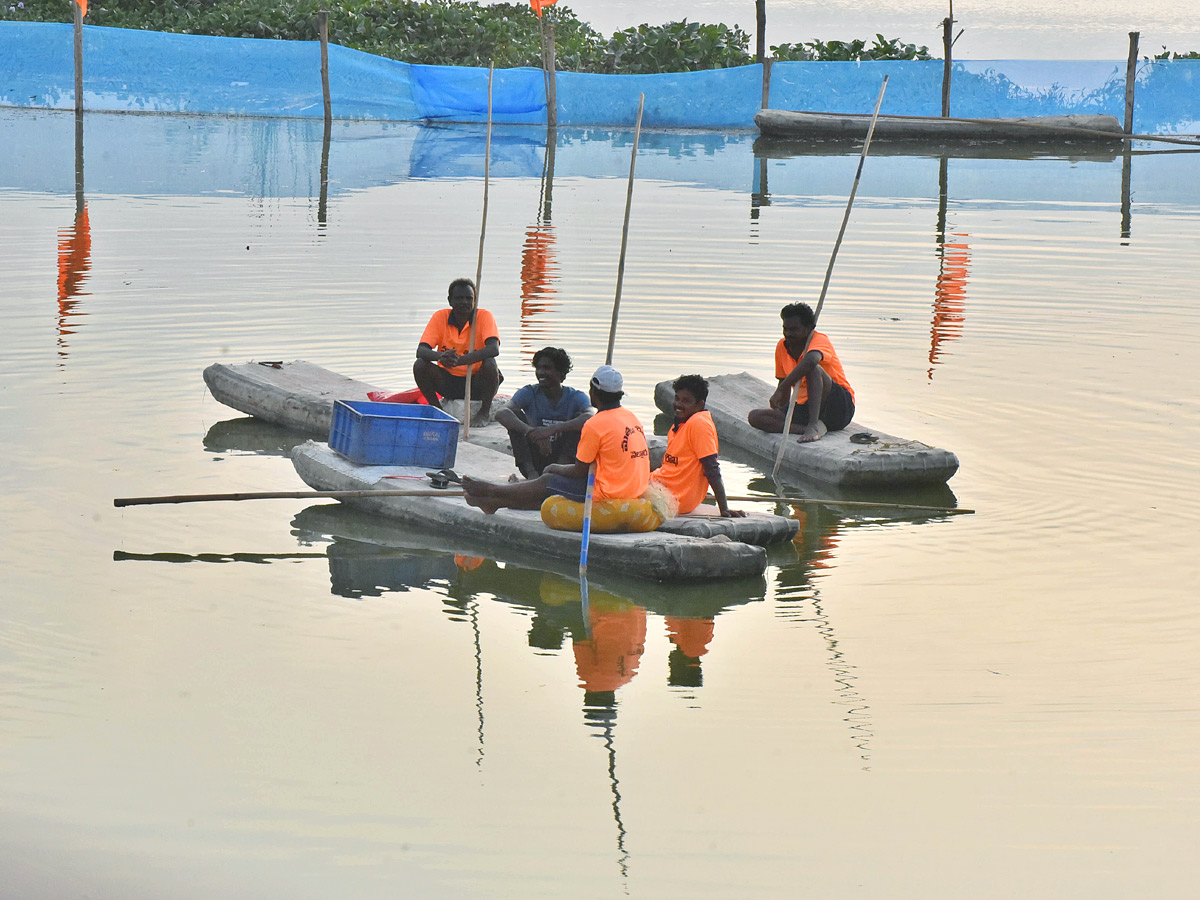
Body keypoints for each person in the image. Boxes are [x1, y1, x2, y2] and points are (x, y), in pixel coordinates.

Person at [462, 364, 649, 513]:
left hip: (609, 492)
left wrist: (554, 468)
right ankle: (495, 503)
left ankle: (492, 491)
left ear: (593, 391)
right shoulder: (630, 417)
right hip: (633, 488)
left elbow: (579, 472)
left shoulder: (596, 424)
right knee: (550, 487)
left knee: (549, 481)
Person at [747, 301, 855, 443]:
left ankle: (813, 425)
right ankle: (802, 429)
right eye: (785, 329)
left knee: (813, 368)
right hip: (806, 406)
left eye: (794, 329)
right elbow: (782, 380)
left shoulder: (819, 340)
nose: (788, 334)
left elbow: (810, 362)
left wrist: (782, 388)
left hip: (837, 407)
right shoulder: (782, 346)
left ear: (809, 328)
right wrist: (781, 409)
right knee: (755, 417)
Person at [651, 374, 744, 518]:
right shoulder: (682, 423)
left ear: (699, 404)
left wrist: (724, 509)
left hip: (673, 497)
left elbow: (712, 468)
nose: (678, 404)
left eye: (686, 401)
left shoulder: (699, 424)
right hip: (663, 485)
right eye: (677, 398)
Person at [413, 277, 502, 425]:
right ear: (450, 300)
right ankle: (437, 409)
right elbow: (421, 351)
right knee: (420, 365)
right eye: (459, 298)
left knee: (490, 363)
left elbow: (493, 349)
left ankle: (483, 412)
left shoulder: (484, 316)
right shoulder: (440, 316)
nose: (464, 303)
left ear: (475, 301)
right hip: (448, 381)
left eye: (469, 298)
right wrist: (441, 357)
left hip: (477, 383)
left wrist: (461, 361)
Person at [494, 347, 593, 478]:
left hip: (563, 459)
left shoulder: (575, 396)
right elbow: (501, 413)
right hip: (536, 456)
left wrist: (552, 429)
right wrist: (531, 432)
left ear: (561, 373)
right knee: (514, 417)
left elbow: (590, 417)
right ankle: (532, 475)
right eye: (538, 368)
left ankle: (558, 473)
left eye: (547, 368)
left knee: (580, 421)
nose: (541, 372)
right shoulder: (529, 392)